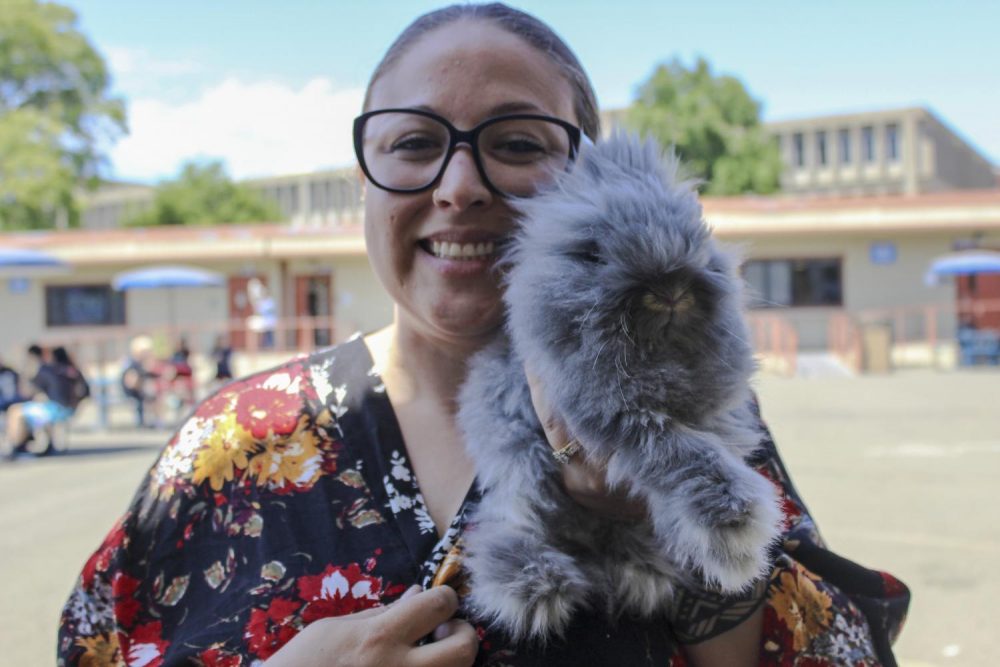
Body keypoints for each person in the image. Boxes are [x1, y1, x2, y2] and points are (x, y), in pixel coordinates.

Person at [57, 5, 909, 666]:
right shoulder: (234, 443)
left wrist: (669, 540)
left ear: (593, 180)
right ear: (367, 180)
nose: (460, 185)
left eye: (516, 143)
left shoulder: (694, 415)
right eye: (415, 142)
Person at [4, 346, 88, 457]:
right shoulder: (72, 370)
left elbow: (28, 394)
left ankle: (16, 447)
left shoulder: (45, 371)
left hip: (56, 410)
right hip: (69, 409)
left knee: (15, 411)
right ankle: (27, 443)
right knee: (26, 412)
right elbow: (86, 392)